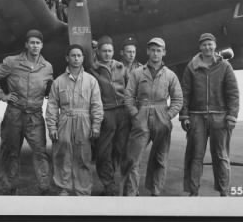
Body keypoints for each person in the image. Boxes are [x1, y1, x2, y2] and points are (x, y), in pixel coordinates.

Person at [0, 29, 53, 195]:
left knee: (40, 153)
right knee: (11, 152)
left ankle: (44, 188)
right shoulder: (12, 62)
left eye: (38, 43)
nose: (35, 46)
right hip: (14, 115)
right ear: (26, 45)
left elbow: (49, 88)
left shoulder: (47, 67)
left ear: (42, 45)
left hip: (35, 117)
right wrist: (2, 95)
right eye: (32, 42)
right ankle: (9, 188)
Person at [179, 33, 239, 196]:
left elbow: (233, 93)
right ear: (200, 47)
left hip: (220, 116)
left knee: (221, 156)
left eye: (210, 44)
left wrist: (232, 115)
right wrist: (184, 116)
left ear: (215, 46)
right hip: (196, 117)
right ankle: (193, 191)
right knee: (195, 156)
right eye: (204, 45)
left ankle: (224, 191)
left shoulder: (225, 66)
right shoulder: (191, 66)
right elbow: (185, 92)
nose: (207, 47)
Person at [123, 37, 183, 196]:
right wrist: (135, 113)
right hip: (141, 116)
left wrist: (168, 115)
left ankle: (155, 192)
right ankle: (131, 193)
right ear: (147, 51)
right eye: (152, 50)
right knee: (133, 159)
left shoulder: (170, 75)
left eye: (159, 50)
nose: (155, 53)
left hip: (161, 116)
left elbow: (178, 99)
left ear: (164, 52)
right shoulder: (137, 73)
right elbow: (128, 96)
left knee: (160, 159)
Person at [45, 44, 103, 196]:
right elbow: (52, 106)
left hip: (84, 121)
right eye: (73, 55)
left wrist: (96, 126)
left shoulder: (91, 81)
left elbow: (96, 105)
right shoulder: (58, 81)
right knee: (62, 156)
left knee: (83, 157)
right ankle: (63, 188)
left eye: (79, 55)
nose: (76, 58)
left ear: (83, 58)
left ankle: (82, 191)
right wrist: (52, 127)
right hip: (65, 121)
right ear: (67, 58)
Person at [90, 35, 130, 196]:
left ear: (114, 52)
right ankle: (108, 185)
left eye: (110, 51)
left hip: (122, 112)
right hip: (105, 112)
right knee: (103, 151)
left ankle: (112, 182)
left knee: (119, 149)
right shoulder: (94, 69)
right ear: (98, 52)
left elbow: (130, 89)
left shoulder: (121, 67)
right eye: (104, 51)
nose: (107, 54)